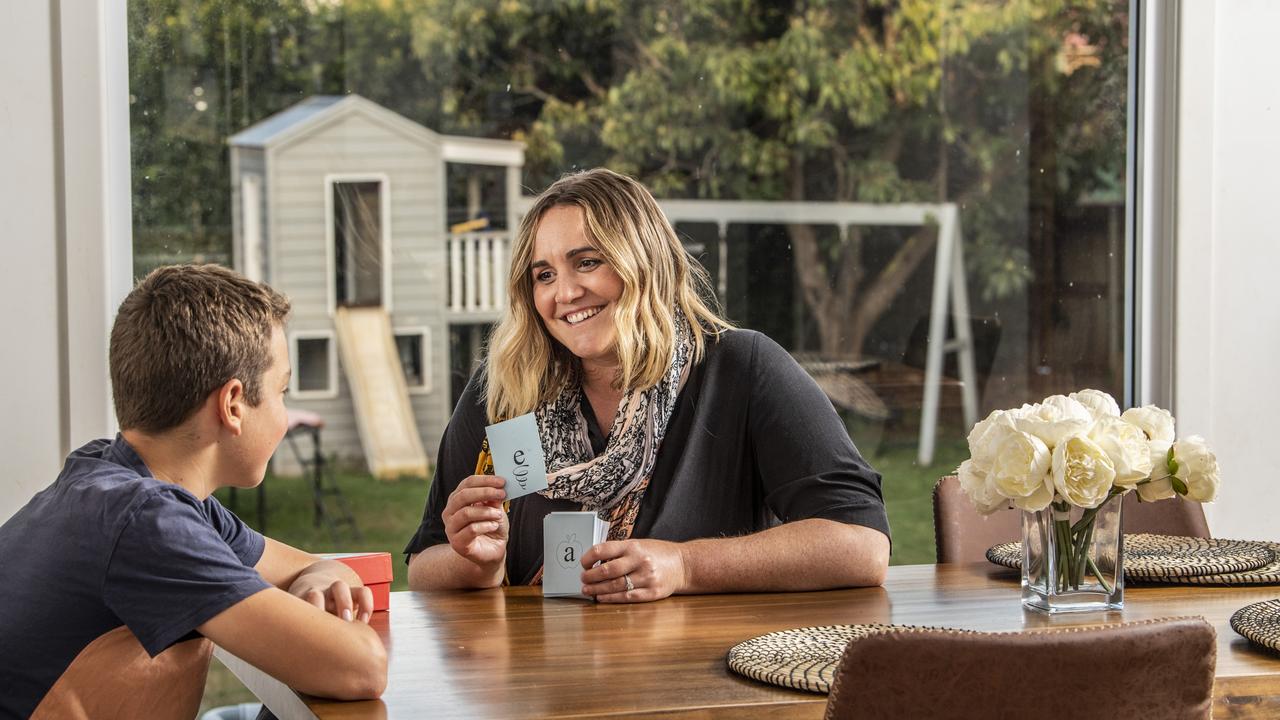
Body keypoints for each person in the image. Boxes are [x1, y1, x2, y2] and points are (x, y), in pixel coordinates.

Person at [405, 168, 890, 601]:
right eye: (544, 275)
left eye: (588, 262)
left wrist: (686, 565)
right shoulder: (507, 388)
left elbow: (861, 545)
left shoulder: (740, 368)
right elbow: (426, 566)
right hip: (543, 688)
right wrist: (479, 564)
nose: (565, 293)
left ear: (644, 262)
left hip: (695, 682)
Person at [0, 265, 386, 719]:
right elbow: (362, 668)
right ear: (233, 404)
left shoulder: (127, 480)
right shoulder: (144, 521)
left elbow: (315, 566)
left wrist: (319, 579)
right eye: (281, 390)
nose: (283, 410)